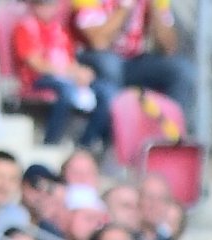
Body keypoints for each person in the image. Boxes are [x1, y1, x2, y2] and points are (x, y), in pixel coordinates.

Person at [70, 0, 195, 128]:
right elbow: (99, 42)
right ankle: (118, 131)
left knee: (182, 70)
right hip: (92, 57)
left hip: (134, 61)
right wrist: (125, 6)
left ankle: (169, 135)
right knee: (111, 66)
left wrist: (156, 10)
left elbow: (169, 48)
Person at [14, 0, 110, 150]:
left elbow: (69, 59)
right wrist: (68, 72)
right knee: (66, 90)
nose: (46, 8)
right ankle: (50, 143)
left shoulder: (59, 29)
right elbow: (35, 64)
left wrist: (81, 72)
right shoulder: (26, 27)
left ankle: (85, 144)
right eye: (42, 4)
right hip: (37, 79)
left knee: (104, 92)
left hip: (65, 76)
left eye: (50, 4)